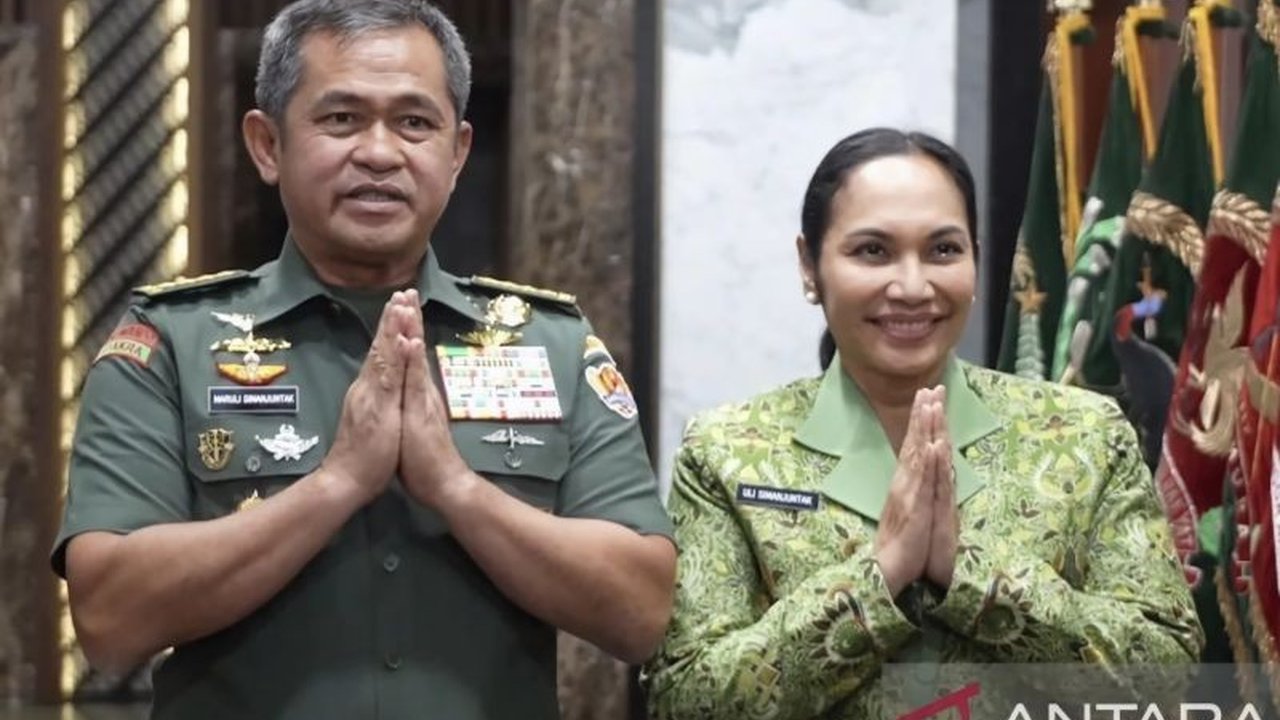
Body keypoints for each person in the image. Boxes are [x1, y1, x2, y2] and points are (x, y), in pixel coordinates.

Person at [51, 1, 676, 718]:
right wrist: (338, 483)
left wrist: (456, 488)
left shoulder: (550, 343)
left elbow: (640, 611)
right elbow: (109, 622)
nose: (380, 152)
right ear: (267, 144)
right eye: (341, 119)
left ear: (457, 151)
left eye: (415, 122)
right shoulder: (168, 344)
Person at [641, 128, 1202, 719]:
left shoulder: (1083, 434)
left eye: (942, 250)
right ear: (811, 266)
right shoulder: (728, 452)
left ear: (976, 259)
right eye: (872, 251)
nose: (912, 287)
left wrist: (973, 577)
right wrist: (879, 578)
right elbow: (687, 699)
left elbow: (1164, 675)